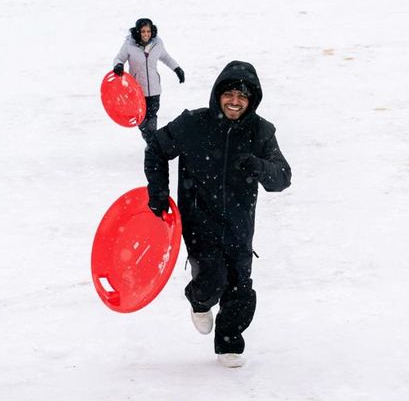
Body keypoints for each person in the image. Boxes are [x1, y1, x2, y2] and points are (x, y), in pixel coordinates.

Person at [144, 60, 292, 368]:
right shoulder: (193, 124)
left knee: (240, 287)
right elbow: (156, 149)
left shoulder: (261, 132)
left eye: (242, 96)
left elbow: (282, 177)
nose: (235, 102)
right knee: (213, 278)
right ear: (218, 94)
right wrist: (158, 193)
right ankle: (199, 300)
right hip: (200, 221)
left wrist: (258, 165)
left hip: (240, 225)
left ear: (251, 100)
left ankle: (228, 343)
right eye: (229, 94)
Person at [112, 18, 184, 143]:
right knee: (141, 118)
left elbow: (166, 57)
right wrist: (118, 65)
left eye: (148, 31)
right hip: (137, 91)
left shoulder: (157, 43)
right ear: (138, 31)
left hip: (154, 89)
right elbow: (119, 58)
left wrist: (177, 69)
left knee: (152, 116)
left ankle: (152, 143)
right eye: (143, 31)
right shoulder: (129, 45)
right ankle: (152, 142)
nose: (146, 34)